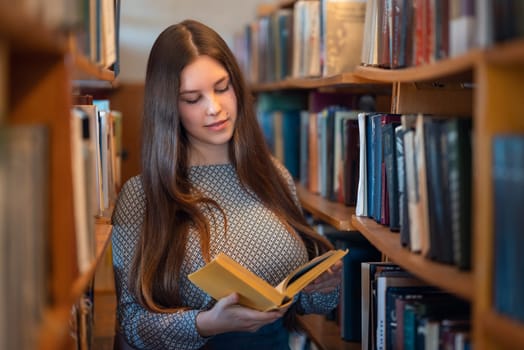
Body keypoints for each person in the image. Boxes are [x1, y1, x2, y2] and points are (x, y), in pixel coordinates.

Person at [111, 19, 342, 350]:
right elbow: (132, 325)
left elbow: (301, 307)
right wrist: (205, 325)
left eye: (222, 88)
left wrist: (322, 289)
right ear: (169, 108)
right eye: (193, 98)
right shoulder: (141, 196)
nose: (215, 108)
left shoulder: (274, 176)